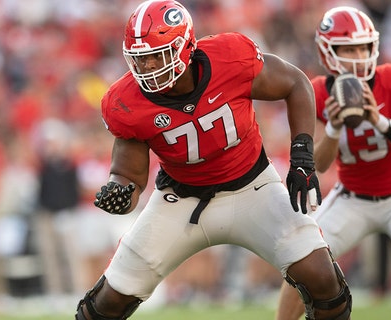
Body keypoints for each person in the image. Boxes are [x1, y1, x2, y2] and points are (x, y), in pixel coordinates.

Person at [75, 1, 352, 319]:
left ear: (184, 47)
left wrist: (302, 155)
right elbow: (129, 174)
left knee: (324, 281)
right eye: (140, 59)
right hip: (180, 200)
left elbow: (295, 83)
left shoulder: (230, 57)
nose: (148, 66)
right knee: (105, 304)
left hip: (254, 187)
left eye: (156, 55)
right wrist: (119, 191)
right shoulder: (126, 102)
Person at [275, 6, 391, 320]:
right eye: (348, 49)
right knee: (305, 261)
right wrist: (333, 128)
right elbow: (319, 163)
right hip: (353, 198)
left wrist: (379, 120)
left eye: (363, 46)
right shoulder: (318, 91)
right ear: (328, 52)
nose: (358, 55)